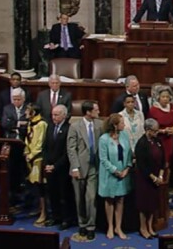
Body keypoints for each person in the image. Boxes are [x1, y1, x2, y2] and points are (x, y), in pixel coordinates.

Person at [67, 101, 103, 240]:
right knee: (79, 198)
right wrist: (75, 167)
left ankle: (91, 226)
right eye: (96, 110)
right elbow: (71, 149)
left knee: (91, 198)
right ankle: (81, 223)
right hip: (80, 168)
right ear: (88, 112)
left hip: (95, 167)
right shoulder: (75, 127)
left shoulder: (100, 125)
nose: (98, 112)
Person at [98, 114, 132, 240]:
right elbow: (103, 159)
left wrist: (127, 168)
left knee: (120, 200)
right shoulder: (104, 139)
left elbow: (129, 153)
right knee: (109, 200)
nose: (124, 125)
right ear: (115, 125)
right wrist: (115, 171)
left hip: (123, 173)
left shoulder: (124, 135)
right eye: (122, 123)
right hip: (109, 175)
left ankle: (118, 227)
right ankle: (110, 227)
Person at [43, 104, 74, 229]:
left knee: (64, 195)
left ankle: (66, 219)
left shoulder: (69, 129)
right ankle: (55, 217)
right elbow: (45, 147)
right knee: (52, 194)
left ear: (64, 116)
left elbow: (67, 153)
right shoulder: (50, 127)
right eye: (52, 115)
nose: (53, 117)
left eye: (56, 115)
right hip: (49, 167)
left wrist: (55, 166)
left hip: (62, 168)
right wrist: (46, 164)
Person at [135, 119, 165, 240]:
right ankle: (143, 228)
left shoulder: (158, 141)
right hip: (144, 179)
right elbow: (142, 165)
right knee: (144, 205)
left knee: (153, 204)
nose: (157, 133)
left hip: (157, 177)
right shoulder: (141, 143)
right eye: (154, 131)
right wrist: (153, 178)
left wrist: (161, 176)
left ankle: (150, 226)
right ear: (147, 130)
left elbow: (163, 160)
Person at [24, 103, 48, 225]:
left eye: (28, 110)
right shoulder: (31, 123)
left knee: (40, 186)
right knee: (33, 185)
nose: (25, 112)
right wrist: (26, 151)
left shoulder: (41, 124)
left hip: (39, 159)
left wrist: (32, 155)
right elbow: (28, 139)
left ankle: (44, 212)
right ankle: (39, 208)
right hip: (30, 157)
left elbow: (40, 143)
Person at [1, 87, 28, 197]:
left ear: (23, 99)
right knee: (12, 167)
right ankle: (13, 189)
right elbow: (5, 124)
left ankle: (23, 189)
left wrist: (14, 124)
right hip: (11, 142)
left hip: (24, 142)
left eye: (18, 99)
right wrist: (18, 124)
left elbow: (27, 126)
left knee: (23, 167)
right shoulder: (7, 109)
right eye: (14, 99)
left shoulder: (28, 109)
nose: (16, 101)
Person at [148, 86, 173, 165]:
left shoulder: (172, 108)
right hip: (158, 139)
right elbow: (149, 128)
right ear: (158, 97)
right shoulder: (153, 110)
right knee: (160, 162)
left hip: (170, 139)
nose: (165, 99)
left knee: (169, 162)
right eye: (163, 97)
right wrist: (163, 131)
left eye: (167, 97)